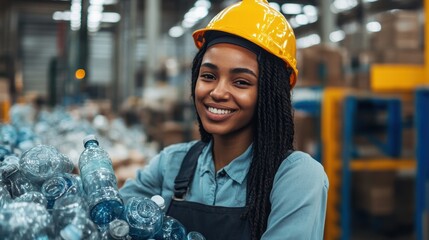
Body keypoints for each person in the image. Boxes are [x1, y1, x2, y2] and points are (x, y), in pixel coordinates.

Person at [119, 0, 329, 239]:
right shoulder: (172, 164)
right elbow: (113, 218)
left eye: (241, 82)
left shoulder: (296, 177)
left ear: (270, 94)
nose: (217, 92)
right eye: (208, 76)